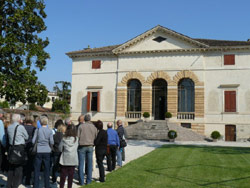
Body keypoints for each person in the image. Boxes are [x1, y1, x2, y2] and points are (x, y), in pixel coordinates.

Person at [7, 114, 28, 188]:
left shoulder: (9, 127)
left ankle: (9, 185)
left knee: (11, 168)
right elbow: (26, 136)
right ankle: (15, 185)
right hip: (19, 148)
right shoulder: (21, 127)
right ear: (19, 120)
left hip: (11, 148)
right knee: (18, 168)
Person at [32, 116, 54, 188]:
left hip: (39, 150)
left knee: (37, 169)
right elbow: (51, 141)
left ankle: (36, 185)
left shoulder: (37, 130)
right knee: (47, 169)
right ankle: (47, 185)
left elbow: (33, 141)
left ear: (40, 122)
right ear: (47, 122)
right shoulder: (50, 131)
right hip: (47, 151)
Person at [77, 114, 97, 185]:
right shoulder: (94, 127)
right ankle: (88, 181)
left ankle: (81, 181)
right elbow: (95, 137)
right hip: (90, 146)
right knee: (89, 164)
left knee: (81, 164)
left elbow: (77, 137)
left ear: (84, 119)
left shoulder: (81, 126)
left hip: (82, 146)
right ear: (90, 119)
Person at [23, 118, 36, 185]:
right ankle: (28, 180)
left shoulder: (22, 127)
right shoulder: (34, 128)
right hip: (31, 147)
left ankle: (22, 176)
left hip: (23, 146)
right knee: (30, 164)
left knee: (23, 163)